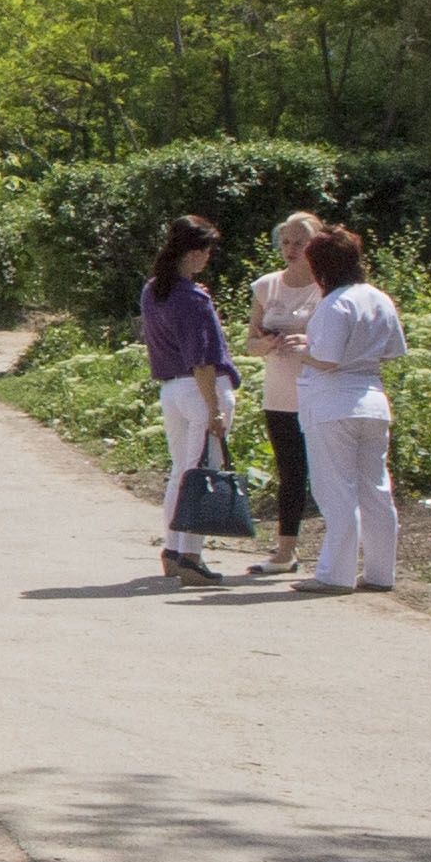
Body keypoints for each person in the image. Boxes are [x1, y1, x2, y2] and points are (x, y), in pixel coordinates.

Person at [291, 223, 408, 592]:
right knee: (376, 489)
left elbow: (327, 359)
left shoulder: (334, 302)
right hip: (372, 399)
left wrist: (300, 351)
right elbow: (393, 350)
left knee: (336, 490)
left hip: (333, 404)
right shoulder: (379, 298)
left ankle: (335, 574)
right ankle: (379, 572)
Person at [139, 213, 240, 586]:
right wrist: (214, 409)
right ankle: (191, 555)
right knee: (203, 472)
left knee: (180, 470)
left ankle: (173, 546)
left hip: (171, 389)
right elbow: (203, 360)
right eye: (207, 249)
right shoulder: (194, 298)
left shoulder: (154, 291)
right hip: (200, 390)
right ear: (195, 253)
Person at [243, 213, 328, 578]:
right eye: (286, 242)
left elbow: (337, 340)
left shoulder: (327, 287)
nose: (291, 250)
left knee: (327, 473)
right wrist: (267, 343)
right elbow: (249, 344)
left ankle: (337, 552)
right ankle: (285, 551)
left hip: (320, 390)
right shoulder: (266, 286)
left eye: (300, 243)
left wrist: (306, 342)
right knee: (290, 472)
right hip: (279, 393)